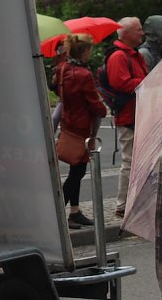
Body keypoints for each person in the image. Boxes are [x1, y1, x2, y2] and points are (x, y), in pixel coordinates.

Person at [53, 34, 108, 229]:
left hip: (68, 122)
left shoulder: (63, 69)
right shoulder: (83, 75)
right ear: (85, 51)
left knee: (76, 168)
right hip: (82, 126)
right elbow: (94, 103)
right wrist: (103, 109)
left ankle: (74, 211)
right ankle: (59, 213)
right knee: (78, 171)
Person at [107, 17, 148, 219]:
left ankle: (135, 202)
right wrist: (148, 81)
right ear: (126, 34)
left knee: (138, 161)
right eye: (138, 30)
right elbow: (121, 83)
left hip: (137, 114)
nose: (142, 33)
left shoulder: (133, 55)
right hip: (128, 116)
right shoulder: (119, 57)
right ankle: (123, 205)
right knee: (130, 161)